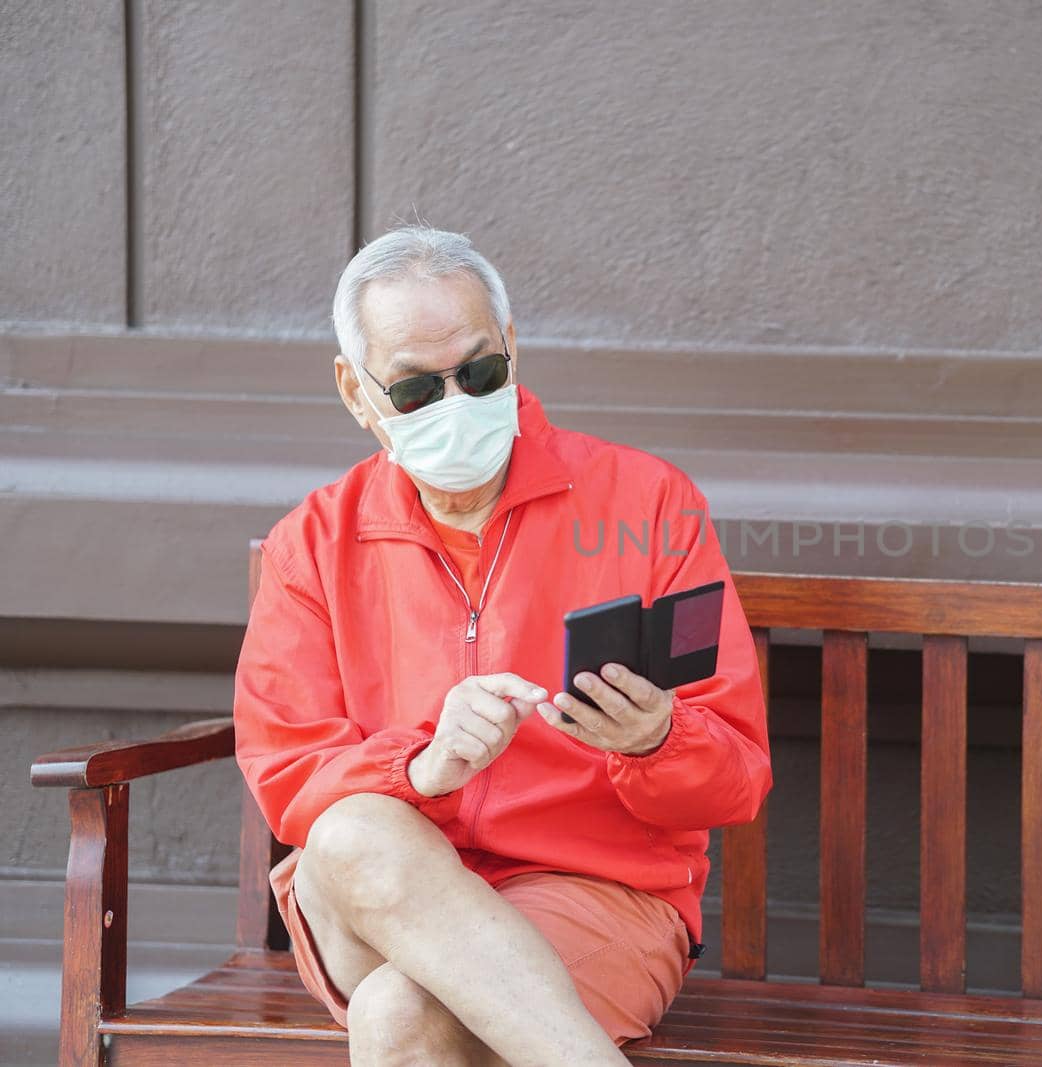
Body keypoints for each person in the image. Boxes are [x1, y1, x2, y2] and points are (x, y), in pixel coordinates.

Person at [233, 225, 771, 1066]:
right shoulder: (314, 543)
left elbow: (737, 777)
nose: (456, 403)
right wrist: (422, 767)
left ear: (513, 349)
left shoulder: (649, 502)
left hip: (597, 896)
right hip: (374, 900)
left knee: (402, 1018)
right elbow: (288, 774)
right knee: (347, 834)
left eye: (479, 372)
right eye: (415, 388)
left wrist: (656, 739)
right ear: (355, 390)